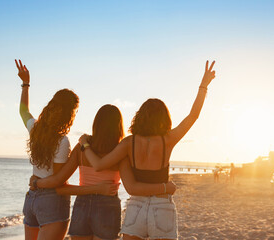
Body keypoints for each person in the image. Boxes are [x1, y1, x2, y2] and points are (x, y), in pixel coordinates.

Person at [80, 60, 216, 240]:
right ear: (164, 118)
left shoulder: (129, 143)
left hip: (136, 207)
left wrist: (85, 144)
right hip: (162, 205)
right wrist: (203, 86)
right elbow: (193, 116)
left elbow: (98, 165)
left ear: (140, 117)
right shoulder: (168, 140)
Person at [31, 104, 176, 240]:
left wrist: (38, 182)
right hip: (108, 208)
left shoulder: (81, 149)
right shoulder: (120, 152)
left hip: (81, 207)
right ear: (119, 127)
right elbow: (131, 187)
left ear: (96, 124)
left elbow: (60, 188)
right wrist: (163, 186)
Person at [16, 60, 117, 240]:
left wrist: (25, 84)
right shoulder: (62, 142)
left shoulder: (35, 129)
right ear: (69, 114)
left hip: (31, 199)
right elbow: (58, 184)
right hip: (50, 203)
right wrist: (98, 189)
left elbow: (23, 110)